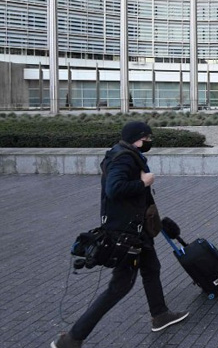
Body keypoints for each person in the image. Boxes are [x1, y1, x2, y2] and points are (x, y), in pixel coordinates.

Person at [52, 121, 188, 348]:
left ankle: (160, 315)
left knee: (152, 268)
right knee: (119, 287)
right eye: (147, 138)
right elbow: (114, 189)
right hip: (127, 234)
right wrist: (142, 182)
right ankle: (72, 339)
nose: (149, 142)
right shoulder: (124, 158)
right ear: (137, 138)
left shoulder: (124, 153)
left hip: (137, 231)